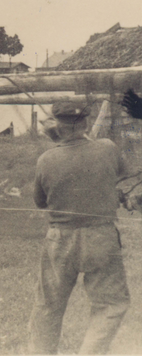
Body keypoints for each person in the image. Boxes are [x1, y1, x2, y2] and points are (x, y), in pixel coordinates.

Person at [28, 101, 130, 354]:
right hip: (101, 236)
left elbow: (40, 202)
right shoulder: (107, 148)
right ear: (85, 122)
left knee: (48, 305)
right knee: (109, 305)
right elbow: (120, 172)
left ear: (57, 126)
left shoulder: (46, 159)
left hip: (60, 240)